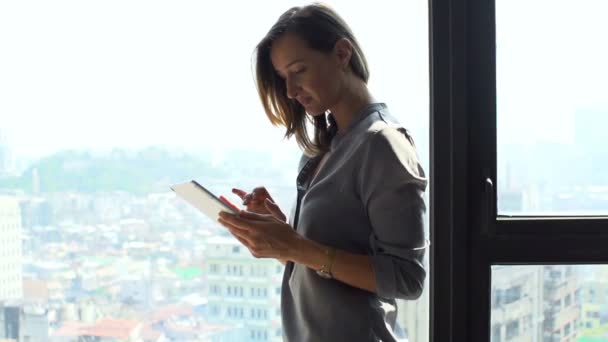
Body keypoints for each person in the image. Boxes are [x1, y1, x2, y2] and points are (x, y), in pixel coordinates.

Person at [217, 3, 428, 341]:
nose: (289, 90)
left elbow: (407, 278)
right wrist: (282, 234)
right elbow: (322, 262)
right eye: (284, 77)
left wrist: (296, 247)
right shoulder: (321, 148)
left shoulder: (382, 144)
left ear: (342, 53)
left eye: (298, 70)